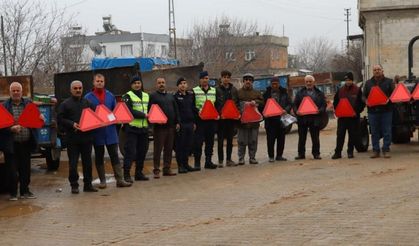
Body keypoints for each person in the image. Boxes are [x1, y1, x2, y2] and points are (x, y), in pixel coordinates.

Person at [84, 73, 131, 188]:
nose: (99, 83)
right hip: (97, 132)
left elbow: (115, 112)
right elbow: (86, 114)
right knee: (99, 156)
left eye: (101, 81)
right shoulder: (87, 97)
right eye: (97, 81)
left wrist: (118, 120)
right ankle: (102, 181)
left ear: (104, 82)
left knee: (114, 155)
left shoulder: (110, 96)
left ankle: (120, 180)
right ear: (93, 82)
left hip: (110, 131)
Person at [57, 80, 98, 194]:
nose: (78, 90)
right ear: (71, 90)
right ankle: (74, 185)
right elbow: (60, 119)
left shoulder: (88, 103)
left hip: (87, 138)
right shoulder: (65, 104)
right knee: (73, 164)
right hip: (72, 139)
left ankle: (88, 185)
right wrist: (72, 124)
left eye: (80, 88)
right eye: (75, 88)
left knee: (88, 163)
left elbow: (96, 117)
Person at [2, 82, 38, 200]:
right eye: (14, 90)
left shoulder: (28, 103)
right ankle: (13, 193)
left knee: (25, 170)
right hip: (11, 144)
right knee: (12, 171)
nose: (16, 93)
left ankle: (25, 191)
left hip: (26, 143)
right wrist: (10, 128)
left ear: (22, 92)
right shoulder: (4, 106)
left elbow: (36, 118)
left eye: (18, 90)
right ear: (10, 92)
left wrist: (40, 117)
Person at [148, 77, 180, 178]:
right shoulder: (153, 96)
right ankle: (156, 170)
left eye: (163, 82)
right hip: (159, 128)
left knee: (169, 149)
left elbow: (176, 109)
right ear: (156, 85)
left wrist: (178, 122)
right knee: (158, 149)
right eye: (159, 83)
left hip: (171, 127)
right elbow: (150, 110)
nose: (161, 84)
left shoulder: (170, 96)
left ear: (165, 84)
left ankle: (167, 168)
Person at [121, 76, 150, 183]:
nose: (137, 85)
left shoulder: (146, 96)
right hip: (132, 128)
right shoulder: (127, 96)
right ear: (131, 85)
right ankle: (127, 174)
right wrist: (144, 115)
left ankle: (139, 173)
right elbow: (129, 111)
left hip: (144, 128)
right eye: (135, 83)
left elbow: (151, 110)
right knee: (130, 152)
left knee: (142, 151)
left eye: (139, 83)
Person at [363, 64, 395, 158]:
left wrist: (389, 99)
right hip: (373, 111)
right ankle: (376, 150)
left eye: (378, 69)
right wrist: (366, 101)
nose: (377, 71)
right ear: (373, 72)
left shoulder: (389, 82)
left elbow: (394, 94)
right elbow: (363, 95)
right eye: (375, 70)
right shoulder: (368, 83)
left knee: (387, 130)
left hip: (386, 111)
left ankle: (386, 149)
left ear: (382, 70)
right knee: (374, 131)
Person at [332, 72, 365, 159]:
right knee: (340, 135)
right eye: (346, 80)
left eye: (349, 80)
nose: (348, 81)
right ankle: (337, 152)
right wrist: (338, 111)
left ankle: (350, 152)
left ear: (352, 80)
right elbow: (335, 102)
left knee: (352, 135)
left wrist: (356, 112)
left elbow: (362, 103)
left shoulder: (357, 90)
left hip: (353, 117)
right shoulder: (340, 90)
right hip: (342, 118)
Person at [293, 75, 326, 160]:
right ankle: (301, 154)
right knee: (302, 138)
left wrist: (320, 110)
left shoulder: (319, 93)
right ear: (305, 83)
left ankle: (316, 154)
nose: (308, 83)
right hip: (303, 119)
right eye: (307, 82)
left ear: (313, 82)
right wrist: (297, 111)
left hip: (315, 118)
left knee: (315, 138)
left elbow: (323, 105)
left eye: (310, 81)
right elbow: (295, 104)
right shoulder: (300, 93)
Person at [192, 71, 218, 170]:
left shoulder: (214, 91)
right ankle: (197, 163)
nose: (205, 80)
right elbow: (192, 105)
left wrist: (217, 114)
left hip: (211, 121)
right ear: (200, 80)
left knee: (210, 142)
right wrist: (198, 111)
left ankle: (208, 162)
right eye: (203, 78)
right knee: (198, 143)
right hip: (200, 121)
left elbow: (217, 105)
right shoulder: (195, 90)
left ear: (209, 79)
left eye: (207, 78)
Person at [262, 76, 292, 162]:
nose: (274, 85)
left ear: (279, 84)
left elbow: (290, 103)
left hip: (281, 119)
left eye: (276, 84)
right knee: (270, 140)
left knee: (281, 139)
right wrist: (265, 114)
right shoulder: (266, 94)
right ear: (270, 84)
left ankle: (279, 156)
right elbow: (262, 106)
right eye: (273, 84)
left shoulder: (284, 93)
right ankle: (271, 156)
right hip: (270, 120)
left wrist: (285, 110)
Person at [174, 77, 199, 173]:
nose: (183, 85)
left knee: (188, 146)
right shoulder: (175, 97)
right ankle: (180, 166)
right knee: (180, 146)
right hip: (181, 125)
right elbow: (176, 111)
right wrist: (177, 123)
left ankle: (186, 164)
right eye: (180, 83)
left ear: (187, 85)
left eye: (184, 83)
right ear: (178, 86)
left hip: (190, 124)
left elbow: (193, 109)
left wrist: (194, 122)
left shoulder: (190, 96)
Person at [237, 73, 264, 165]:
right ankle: (241, 158)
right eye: (246, 80)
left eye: (250, 80)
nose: (248, 81)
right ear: (243, 81)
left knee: (253, 140)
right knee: (241, 141)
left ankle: (252, 158)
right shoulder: (238, 92)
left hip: (254, 122)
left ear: (252, 82)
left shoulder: (257, 92)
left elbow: (262, 102)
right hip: (242, 121)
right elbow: (234, 103)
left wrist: (256, 102)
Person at [215, 70, 239, 167]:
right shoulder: (216, 90)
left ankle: (229, 160)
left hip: (231, 119)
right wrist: (219, 113)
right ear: (221, 78)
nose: (226, 79)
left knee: (230, 140)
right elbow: (215, 104)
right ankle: (220, 161)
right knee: (220, 141)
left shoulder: (234, 90)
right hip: (221, 119)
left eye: (227, 77)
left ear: (230, 78)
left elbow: (236, 103)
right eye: (224, 77)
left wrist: (237, 113)